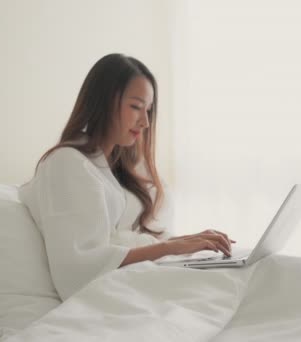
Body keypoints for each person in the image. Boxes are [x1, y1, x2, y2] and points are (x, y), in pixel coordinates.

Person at [19, 54, 235, 300]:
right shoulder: (65, 164)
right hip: (112, 294)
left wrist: (188, 241)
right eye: (135, 107)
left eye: (148, 110)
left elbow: (120, 242)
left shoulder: (114, 169)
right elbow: (77, 271)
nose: (144, 122)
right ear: (103, 102)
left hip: (140, 280)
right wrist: (170, 247)